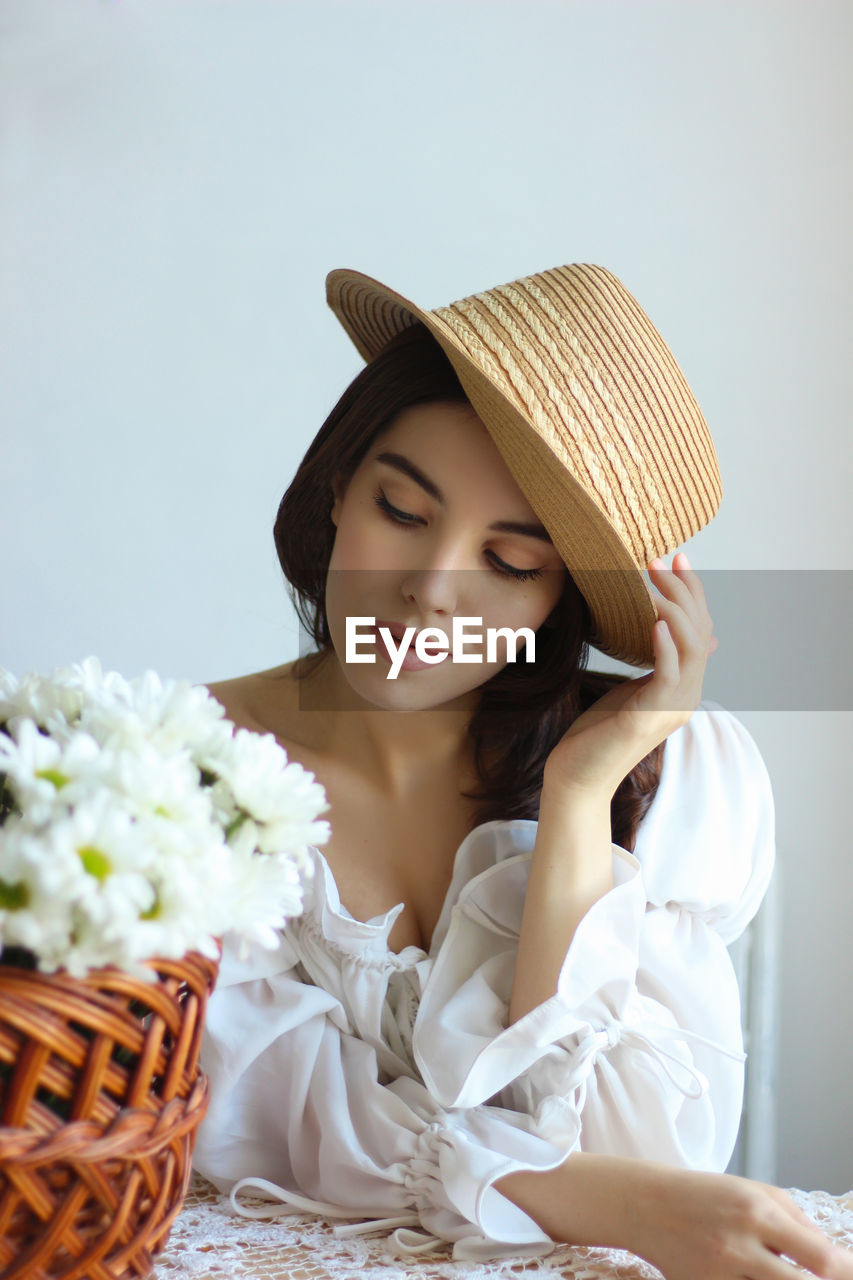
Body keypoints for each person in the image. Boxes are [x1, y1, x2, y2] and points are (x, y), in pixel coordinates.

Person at [193, 264, 853, 1279]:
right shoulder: (176, 769)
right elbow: (254, 1125)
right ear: (337, 482)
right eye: (402, 509)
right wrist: (610, 1201)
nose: (427, 592)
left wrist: (578, 798)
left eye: (508, 563)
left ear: (562, 599)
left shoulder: (669, 776)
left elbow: (629, 1151)